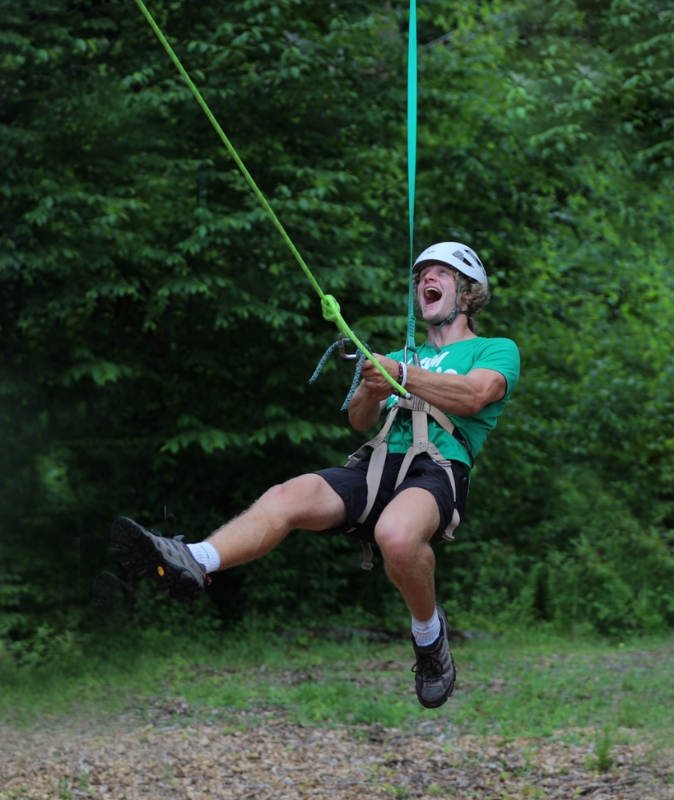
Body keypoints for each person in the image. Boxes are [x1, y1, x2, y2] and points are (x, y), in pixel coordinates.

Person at [110, 241, 520, 709]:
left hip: (438, 470)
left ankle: (428, 637)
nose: (426, 279)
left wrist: (401, 373)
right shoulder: (396, 354)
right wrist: (371, 385)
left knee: (398, 537)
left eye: (440, 274)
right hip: (377, 464)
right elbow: (360, 420)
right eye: (421, 273)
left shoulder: (494, 350)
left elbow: (473, 396)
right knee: (290, 494)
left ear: (467, 295)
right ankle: (194, 558)